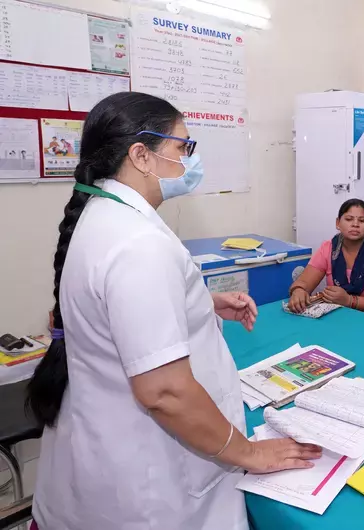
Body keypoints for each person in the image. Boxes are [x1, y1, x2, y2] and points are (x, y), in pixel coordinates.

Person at [26, 92, 321, 529]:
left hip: (103, 458)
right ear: (141, 156)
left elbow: (116, 309)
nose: (190, 161)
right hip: (150, 485)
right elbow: (164, 392)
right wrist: (249, 453)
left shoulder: (105, 216)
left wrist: (199, 302)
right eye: (183, 147)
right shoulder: (138, 243)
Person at [287, 198, 364, 321]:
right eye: (349, 219)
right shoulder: (329, 248)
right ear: (338, 223)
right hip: (342, 319)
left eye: (362, 220)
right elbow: (304, 282)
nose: (355, 224)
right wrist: (298, 291)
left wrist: (349, 301)